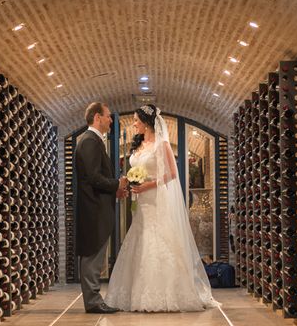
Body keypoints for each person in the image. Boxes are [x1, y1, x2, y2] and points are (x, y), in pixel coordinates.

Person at [105, 104, 219, 312]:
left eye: (137, 120)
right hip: (140, 202)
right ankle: (135, 292)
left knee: (158, 239)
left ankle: (165, 293)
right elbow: (135, 168)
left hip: (156, 198)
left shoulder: (162, 145)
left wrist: (148, 184)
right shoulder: (138, 146)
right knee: (139, 238)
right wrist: (132, 183)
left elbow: (172, 174)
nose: (135, 124)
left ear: (147, 122)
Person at [74, 102, 128, 314]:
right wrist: (117, 184)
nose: (111, 120)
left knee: (95, 254)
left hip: (96, 206)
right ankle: (93, 301)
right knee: (92, 254)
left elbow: (93, 177)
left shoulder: (93, 141)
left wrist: (114, 190)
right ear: (97, 117)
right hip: (93, 209)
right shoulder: (89, 141)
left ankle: (94, 298)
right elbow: (94, 177)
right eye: (108, 116)